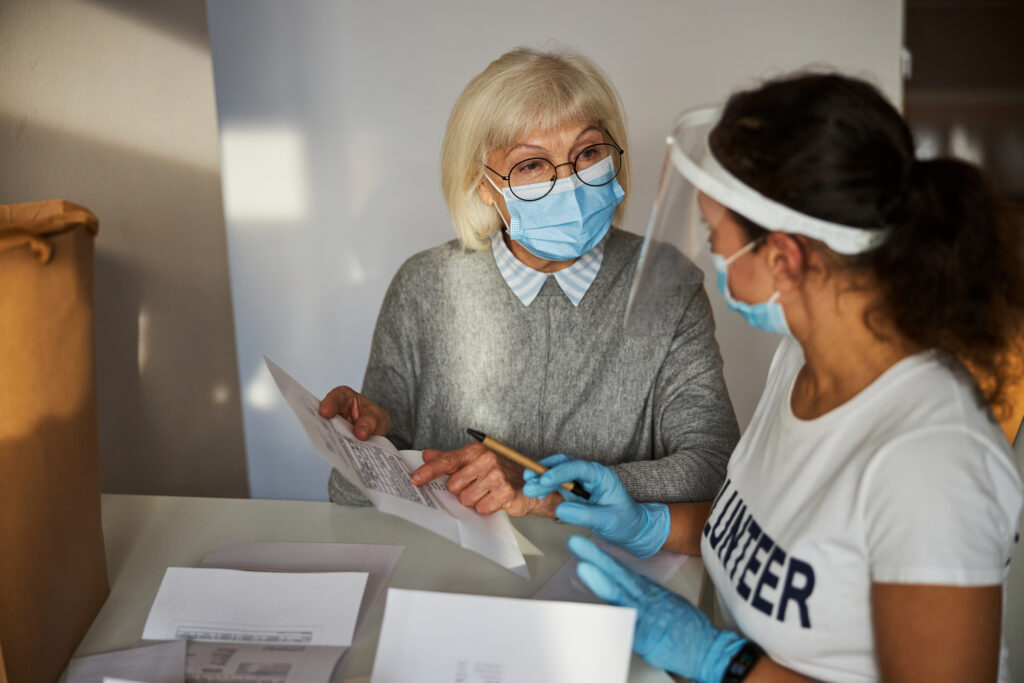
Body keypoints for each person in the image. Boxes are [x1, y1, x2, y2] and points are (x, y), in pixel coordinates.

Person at [523, 72, 1024, 682]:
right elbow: (771, 536)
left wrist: (721, 662)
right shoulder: (802, 361)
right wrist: (649, 524)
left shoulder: (931, 459)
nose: (709, 252)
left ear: (784, 257)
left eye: (716, 236)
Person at [318, 47, 739, 517]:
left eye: (589, 152)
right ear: (483, 185)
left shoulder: (668, 282)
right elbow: (353, 495)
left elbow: (713, 467)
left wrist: (543, 488)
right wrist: (364, 442)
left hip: (608, 569)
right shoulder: (423, 286)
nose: (572, 182)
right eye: (532, 165)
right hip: (458, 575)